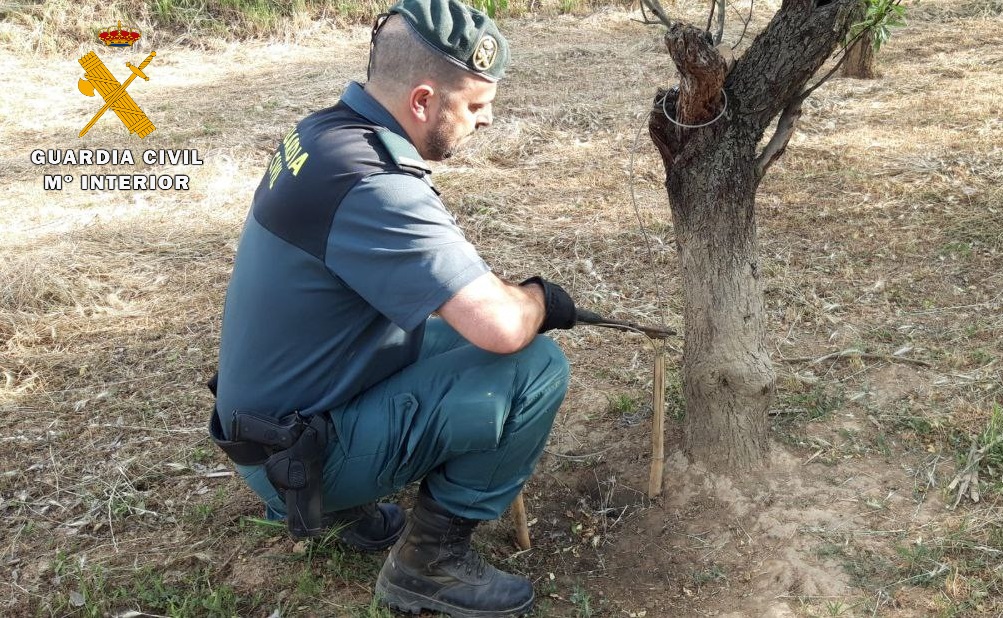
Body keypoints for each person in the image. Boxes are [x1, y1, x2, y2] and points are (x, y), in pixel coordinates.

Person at [209, 0, 580, 615]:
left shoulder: (324, 135)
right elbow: (500, 326)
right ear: (423, 101)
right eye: (476, 106)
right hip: (297, 458)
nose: (487, 120)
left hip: (270, 429)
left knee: (455, 341)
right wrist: (539, 298)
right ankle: (430, 562)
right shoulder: (373, 185)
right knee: (534, 366)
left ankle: (345, 509)